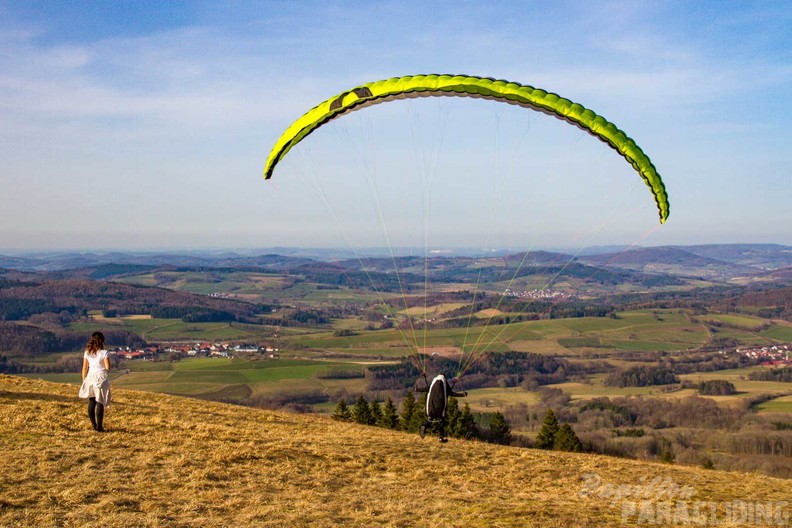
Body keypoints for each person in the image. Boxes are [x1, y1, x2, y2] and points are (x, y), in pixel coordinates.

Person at [414, 373, 466, 442]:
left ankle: (424, 426)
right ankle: (441, 437)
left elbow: (426, 389)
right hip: (440, 406)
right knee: (441, 421)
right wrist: (462, 395)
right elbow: (451, 393)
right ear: (444, 377)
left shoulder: (433, 382)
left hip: (431, 406)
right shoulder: (444, 383)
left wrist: (417, 389)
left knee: (430, 419)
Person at [78, 331, 111, 432]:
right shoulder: (104, 353)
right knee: (100, 401)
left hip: (90, 376)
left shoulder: (87, 353)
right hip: (100, 377)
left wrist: (84, 380)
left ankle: (93, 424)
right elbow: (108, 367)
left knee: (91, 401)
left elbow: (84, 368)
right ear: (102, 340)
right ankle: (99, 427)